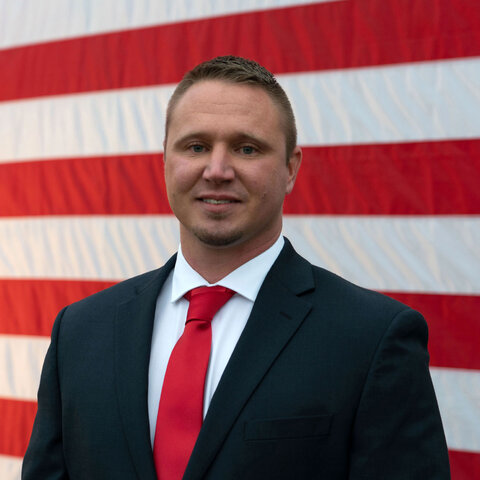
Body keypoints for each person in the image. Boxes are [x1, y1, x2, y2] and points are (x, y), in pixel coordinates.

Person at [22, 56, 450, 479]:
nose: (217, 170)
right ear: (165, 161)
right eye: (196, 147)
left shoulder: (372, 339)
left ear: (290, 169)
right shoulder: (79, 333)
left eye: (247, 148)